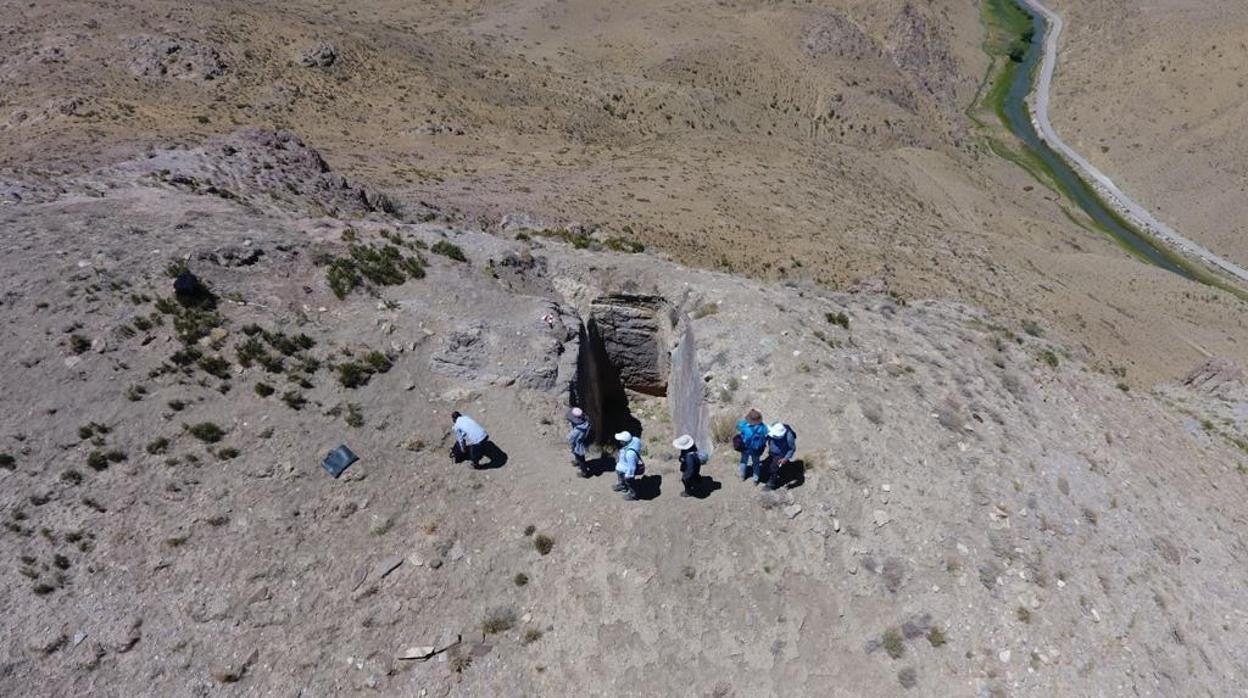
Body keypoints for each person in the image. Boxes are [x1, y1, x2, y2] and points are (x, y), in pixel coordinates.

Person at [736, 409, 769, 484]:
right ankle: (755, 480)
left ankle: (742, 476)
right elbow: (766, 434)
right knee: (756, 463)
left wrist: (746, 420)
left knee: (744, 461)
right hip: (756, 449)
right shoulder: (763, 427)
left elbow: (738, 425)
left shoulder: (745, 427)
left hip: (745, 448)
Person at [763, 422, 797, 490]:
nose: (773, 436)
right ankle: (780, 468)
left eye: (775, 436)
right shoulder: (774, 428)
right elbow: (767, 436)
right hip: (772, 452)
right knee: (769, 462)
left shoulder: (789, 437)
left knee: (773, 468)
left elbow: (792, 449)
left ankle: (771, 483)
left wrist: (785, 459)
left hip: (780, 455)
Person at [612, 431, 644, 501]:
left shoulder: (630, 454)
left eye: (621, 441)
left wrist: (628, 476)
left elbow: (632, 468)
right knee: (618, 469)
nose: (619, 442)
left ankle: (634, 495)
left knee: (629, 480)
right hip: (630, 462)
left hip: (635, 467)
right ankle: (622, 485)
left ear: (624, 442)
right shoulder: (635, 439)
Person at [566, 407, 592, 478]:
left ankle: (584, 472)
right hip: (578, 442)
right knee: (577, 455)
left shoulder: (579, 430)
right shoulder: (584, 422)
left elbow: (570, 438)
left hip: (579, 445)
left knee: (581, 458)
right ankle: (577, 461)